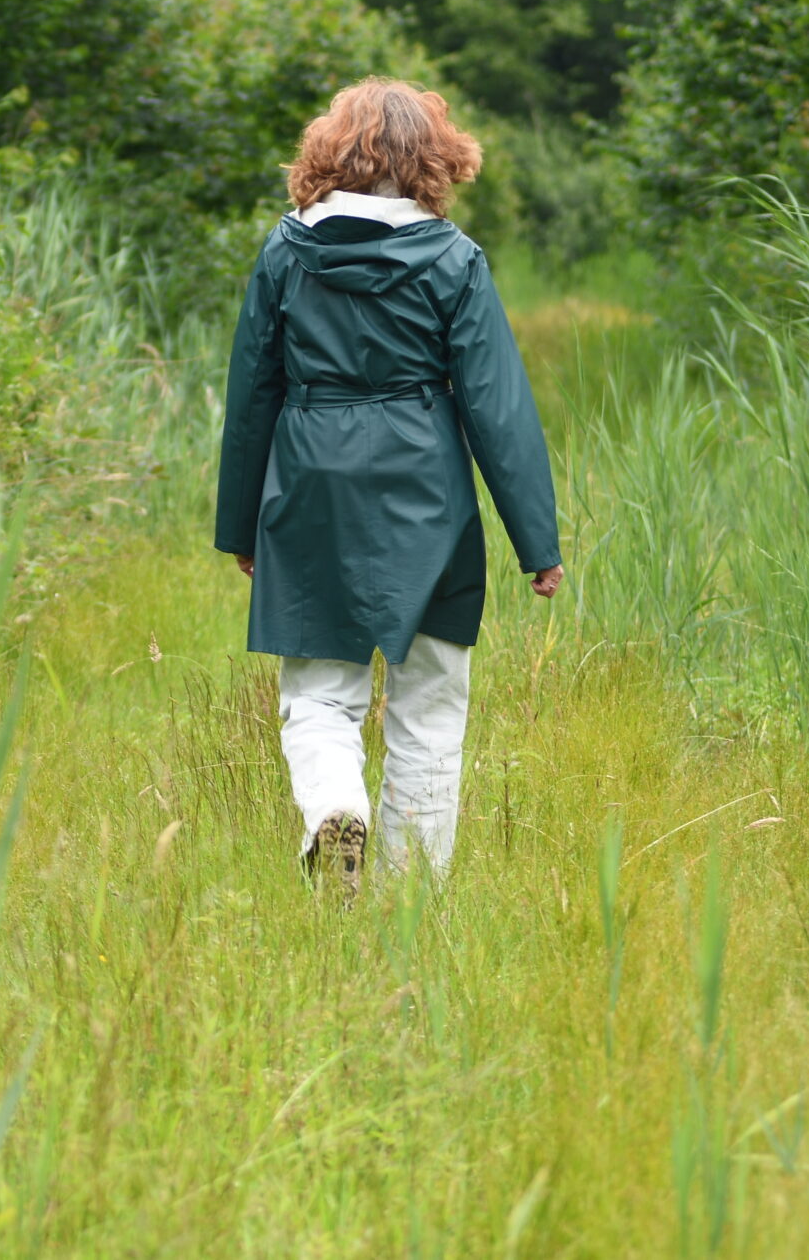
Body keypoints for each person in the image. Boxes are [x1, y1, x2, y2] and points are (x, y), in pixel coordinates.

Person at [213, 77, 562, 898]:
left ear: (326, 153)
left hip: (310, 486)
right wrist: (535, 542)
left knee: (319, 693)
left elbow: (251, 396)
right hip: (425, 491)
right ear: (434, 162)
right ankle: (413, 902)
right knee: (431, 706)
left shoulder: (285, 251)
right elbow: (498, 410)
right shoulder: (453, 258)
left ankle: (336, 804)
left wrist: (241, 528)